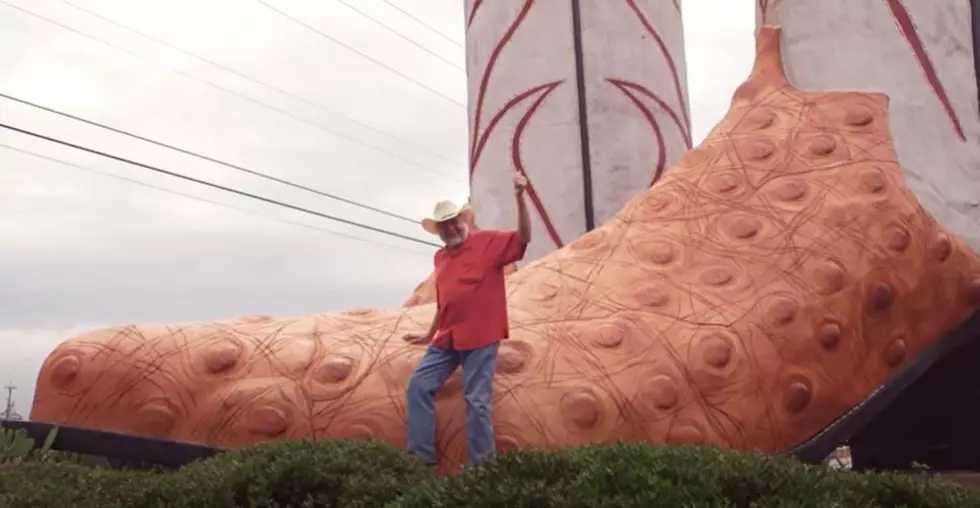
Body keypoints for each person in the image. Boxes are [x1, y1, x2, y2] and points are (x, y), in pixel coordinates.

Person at [403, 171, 531, 468]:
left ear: (463, 221)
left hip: (481, 336)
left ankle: (482, 471)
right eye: (444, 226)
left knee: (476, 401)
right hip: (448, 337)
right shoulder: (440, 258)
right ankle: (421, 460)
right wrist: (427, 335)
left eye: (454, 221)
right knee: (418, 385)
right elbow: (444, 303)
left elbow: (524, 237)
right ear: (439, 231)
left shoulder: (488, 242)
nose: (451, 228)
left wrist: (520, 197)